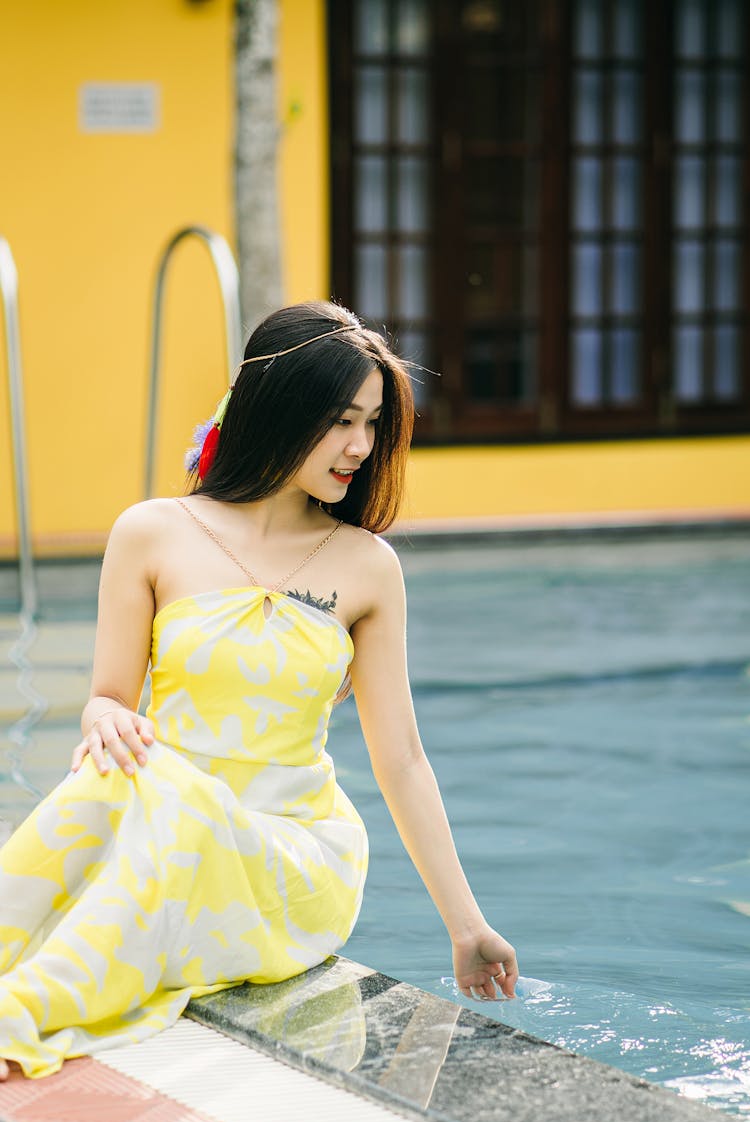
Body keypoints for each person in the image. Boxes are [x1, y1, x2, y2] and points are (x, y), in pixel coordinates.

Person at [0, 301, 517, 1080]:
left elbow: (403, 759)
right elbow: (108, 696)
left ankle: (21, 1016)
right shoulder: (151, 531)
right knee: (106, 779)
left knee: (172, 801)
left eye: (374, 423)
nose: (361, 446)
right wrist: (105, 717)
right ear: (281, 410)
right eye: (345, 420)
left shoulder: (366, 567)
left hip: (289, 858)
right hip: (164, 826)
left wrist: (465, 924)